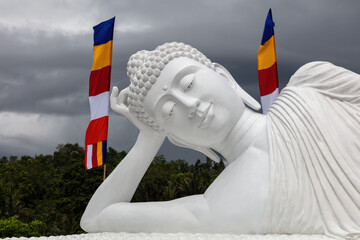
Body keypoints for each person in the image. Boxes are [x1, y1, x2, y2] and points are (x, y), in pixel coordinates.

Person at [80, 42, 360, 238]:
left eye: (188, 83)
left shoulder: (315, 84)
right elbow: (96, 218)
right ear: (176, 139)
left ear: (224, 76)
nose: (189, 104)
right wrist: (150, 138)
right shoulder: (219, 203)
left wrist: (154, 134)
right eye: (169, 111)